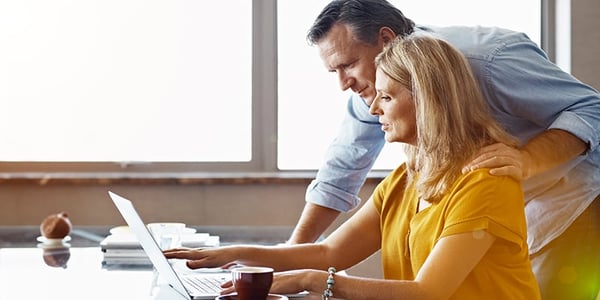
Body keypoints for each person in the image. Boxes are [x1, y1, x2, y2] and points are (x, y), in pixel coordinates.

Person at [166, 34, 542, 299]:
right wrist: (233, 253)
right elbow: (329, 253)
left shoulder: (486, 184)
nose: (374, 108)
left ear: (430, 101)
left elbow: (429, 292)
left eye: (387, 96)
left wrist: (311, 282)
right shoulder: (404, 180)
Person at [287, 1, 600, 298]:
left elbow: (591, 109)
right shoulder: (374, 88)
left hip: (564, 202)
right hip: (489, 204)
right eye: (334, 72)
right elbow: (341, 169)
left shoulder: (488, 60)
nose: (344, 83)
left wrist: (528, 159)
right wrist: (290, 258)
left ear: (385, 38)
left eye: (349, 64)